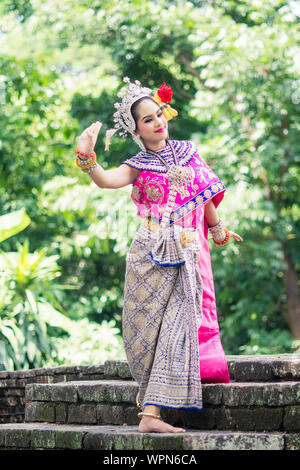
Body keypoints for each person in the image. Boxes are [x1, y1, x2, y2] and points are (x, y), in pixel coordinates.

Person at [75, 77, 243, 434]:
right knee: (149, 334)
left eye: (159, 114)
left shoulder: (188, 152)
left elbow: (205, 195)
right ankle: (150, 413)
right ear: (136, 130)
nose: (157, 122)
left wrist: (217, 229)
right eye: (147, 119)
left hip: (185, 253)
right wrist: (86, 154)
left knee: (180, 323)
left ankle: (151, 416)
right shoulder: (137, 164)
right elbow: (105, 180)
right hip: (148, 254)